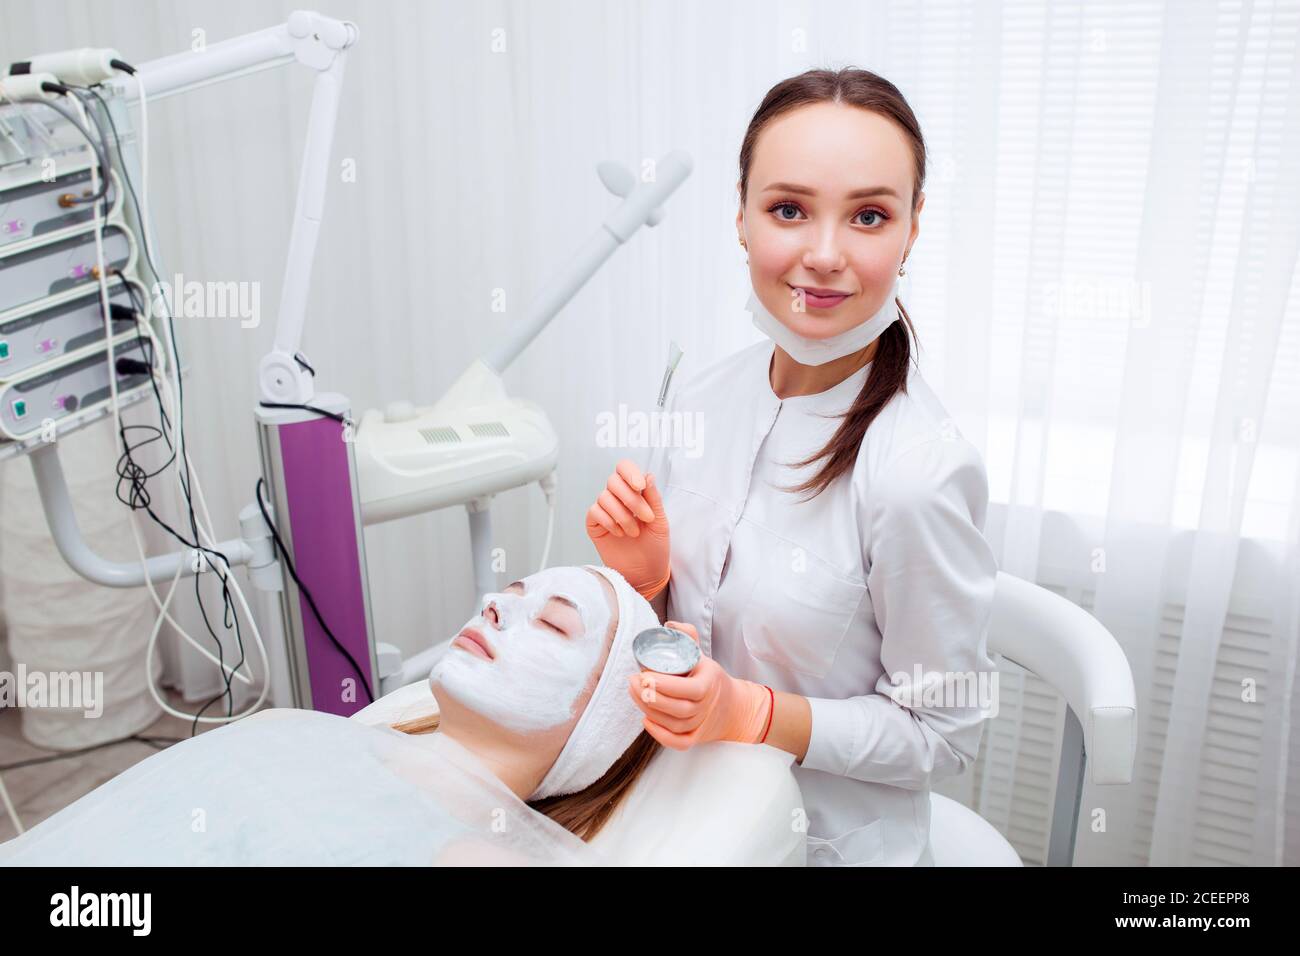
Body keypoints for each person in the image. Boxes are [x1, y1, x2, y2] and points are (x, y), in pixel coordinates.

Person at [586, 68, 1000, 867]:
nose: (823, 254)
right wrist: (644, 583)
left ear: (913, 230)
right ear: (740, 217)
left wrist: (753, 713)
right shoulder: (700, 396)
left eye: (870, 216)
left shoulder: (916, 472)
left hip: (821, 845)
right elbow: (682, 636)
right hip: (671, 813)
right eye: (788, 209)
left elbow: (942, 738)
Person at [0, 566, 661, 865]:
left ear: (594, 726)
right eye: (512, 590)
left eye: (551, 623)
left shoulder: (478, 857)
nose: (494, 604)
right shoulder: (286, 728)